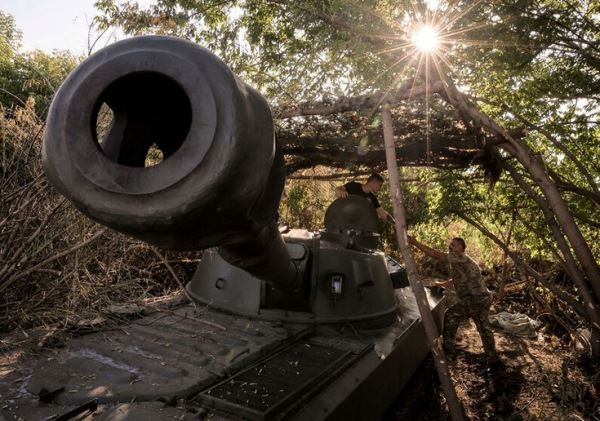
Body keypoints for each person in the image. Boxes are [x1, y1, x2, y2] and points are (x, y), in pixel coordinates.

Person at [408, 235, 502, 369]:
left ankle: (448, 353)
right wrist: (443, 283)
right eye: (450, 244)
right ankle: (493, 359)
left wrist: (415, 243)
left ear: (462, 248)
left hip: (476, 298)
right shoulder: (459, 261)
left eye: (454, 245)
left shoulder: (461, 257)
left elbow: (436, 255)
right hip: (482, 298)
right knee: (483, 327)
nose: (451, 246)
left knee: (451, 315)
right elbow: (459, 278)